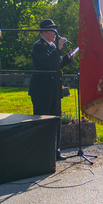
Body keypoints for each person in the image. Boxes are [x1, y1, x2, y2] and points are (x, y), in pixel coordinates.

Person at [29, 19, 74, 159]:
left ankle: (55, 151)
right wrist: (58, 49)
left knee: (56, 120)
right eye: (51, 30)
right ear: (43, 32)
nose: (55, 33)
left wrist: (68, 57)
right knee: (43, 121)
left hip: (54, 89)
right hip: (42, 90)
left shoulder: (53, 46)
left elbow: (57, 63)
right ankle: (42, 153)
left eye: (55, 30)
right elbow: (47, 62)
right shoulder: (39, 46)